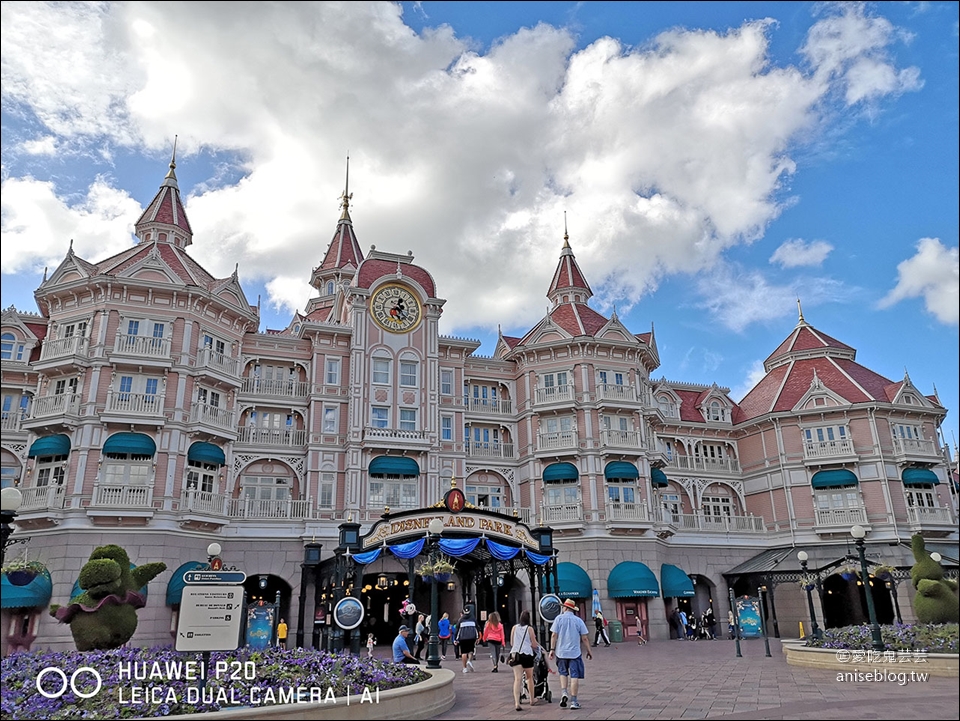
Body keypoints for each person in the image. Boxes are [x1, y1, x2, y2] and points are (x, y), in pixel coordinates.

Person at [549, 598, 592, 710]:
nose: (562, 608)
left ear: (566, 608)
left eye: (563, 607)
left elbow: (554, 635)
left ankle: (564, 693)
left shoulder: (558, 619)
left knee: (563, 673)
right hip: (574, 653)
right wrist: (588, 651)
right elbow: (585, 638)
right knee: (574, 675)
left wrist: (552, 649)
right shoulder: (578, 621)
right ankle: (574, 701)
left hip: (561, 652)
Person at [509, 609, 539, 711]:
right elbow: (534, 644)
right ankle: (532, 699)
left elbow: (512, 643)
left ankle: (517, 702)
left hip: (516, 654)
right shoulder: (529, 629)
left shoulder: (514, 628)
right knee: (529, 678)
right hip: (527, 654)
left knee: (517, 679)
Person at [455, 609, 478, 674]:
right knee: (471, 651)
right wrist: (477, 637)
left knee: (463, 652)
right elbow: (477, 628)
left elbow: (457, 629)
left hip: (463, 638)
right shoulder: (473, 619)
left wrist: (455, 639)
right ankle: (469, 661)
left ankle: (464, 668)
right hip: (472, 637)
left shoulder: (461, 619)